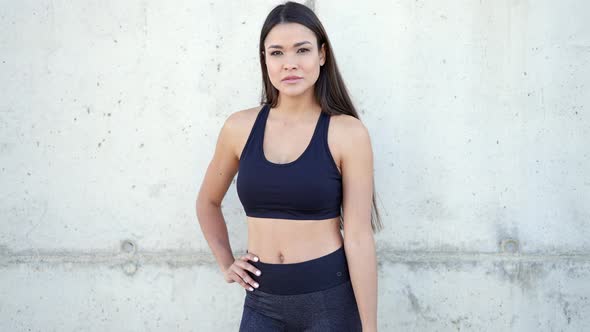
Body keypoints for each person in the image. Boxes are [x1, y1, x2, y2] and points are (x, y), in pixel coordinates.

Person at [196, 2, 383, 331]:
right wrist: (226, 263)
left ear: (322, 55)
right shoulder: (239, 128)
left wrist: (370, 328)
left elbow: (358, 237)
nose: (290, 64)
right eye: (277, 53)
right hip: (262, 301)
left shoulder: (347, 133)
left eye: (302, 50)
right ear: (264, 59)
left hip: (329, 301)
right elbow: (207, 203)